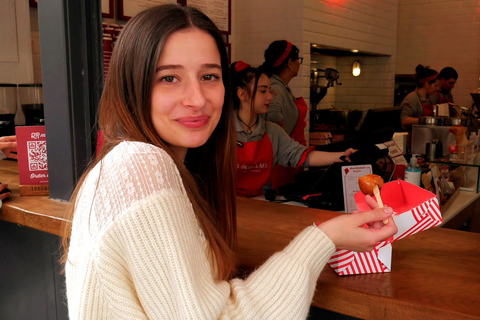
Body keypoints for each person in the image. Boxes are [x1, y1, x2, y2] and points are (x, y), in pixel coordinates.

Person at [63, 5, 397, 319]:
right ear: (130, 86)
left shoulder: (133, 164)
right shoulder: (141, 165)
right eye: (169, 78)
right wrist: (324, 238)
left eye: (209, 77)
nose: (197, 99)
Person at [231, 61, 356, 197]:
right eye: (263, 91)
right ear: (242, 95)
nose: (270, 97)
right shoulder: (220, 131)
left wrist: (343, 156)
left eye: (269, 90)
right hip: (223, 203)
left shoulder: (272, 131)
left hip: (258, 201)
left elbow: (302, 155)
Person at [260, 40, 307, 191]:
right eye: (298, 60)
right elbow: (272, 115)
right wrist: (285, 143)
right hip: (277, 165)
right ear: (289, 63)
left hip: (287, 160)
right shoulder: (275, 87)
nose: (299, 64)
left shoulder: (282, 87)